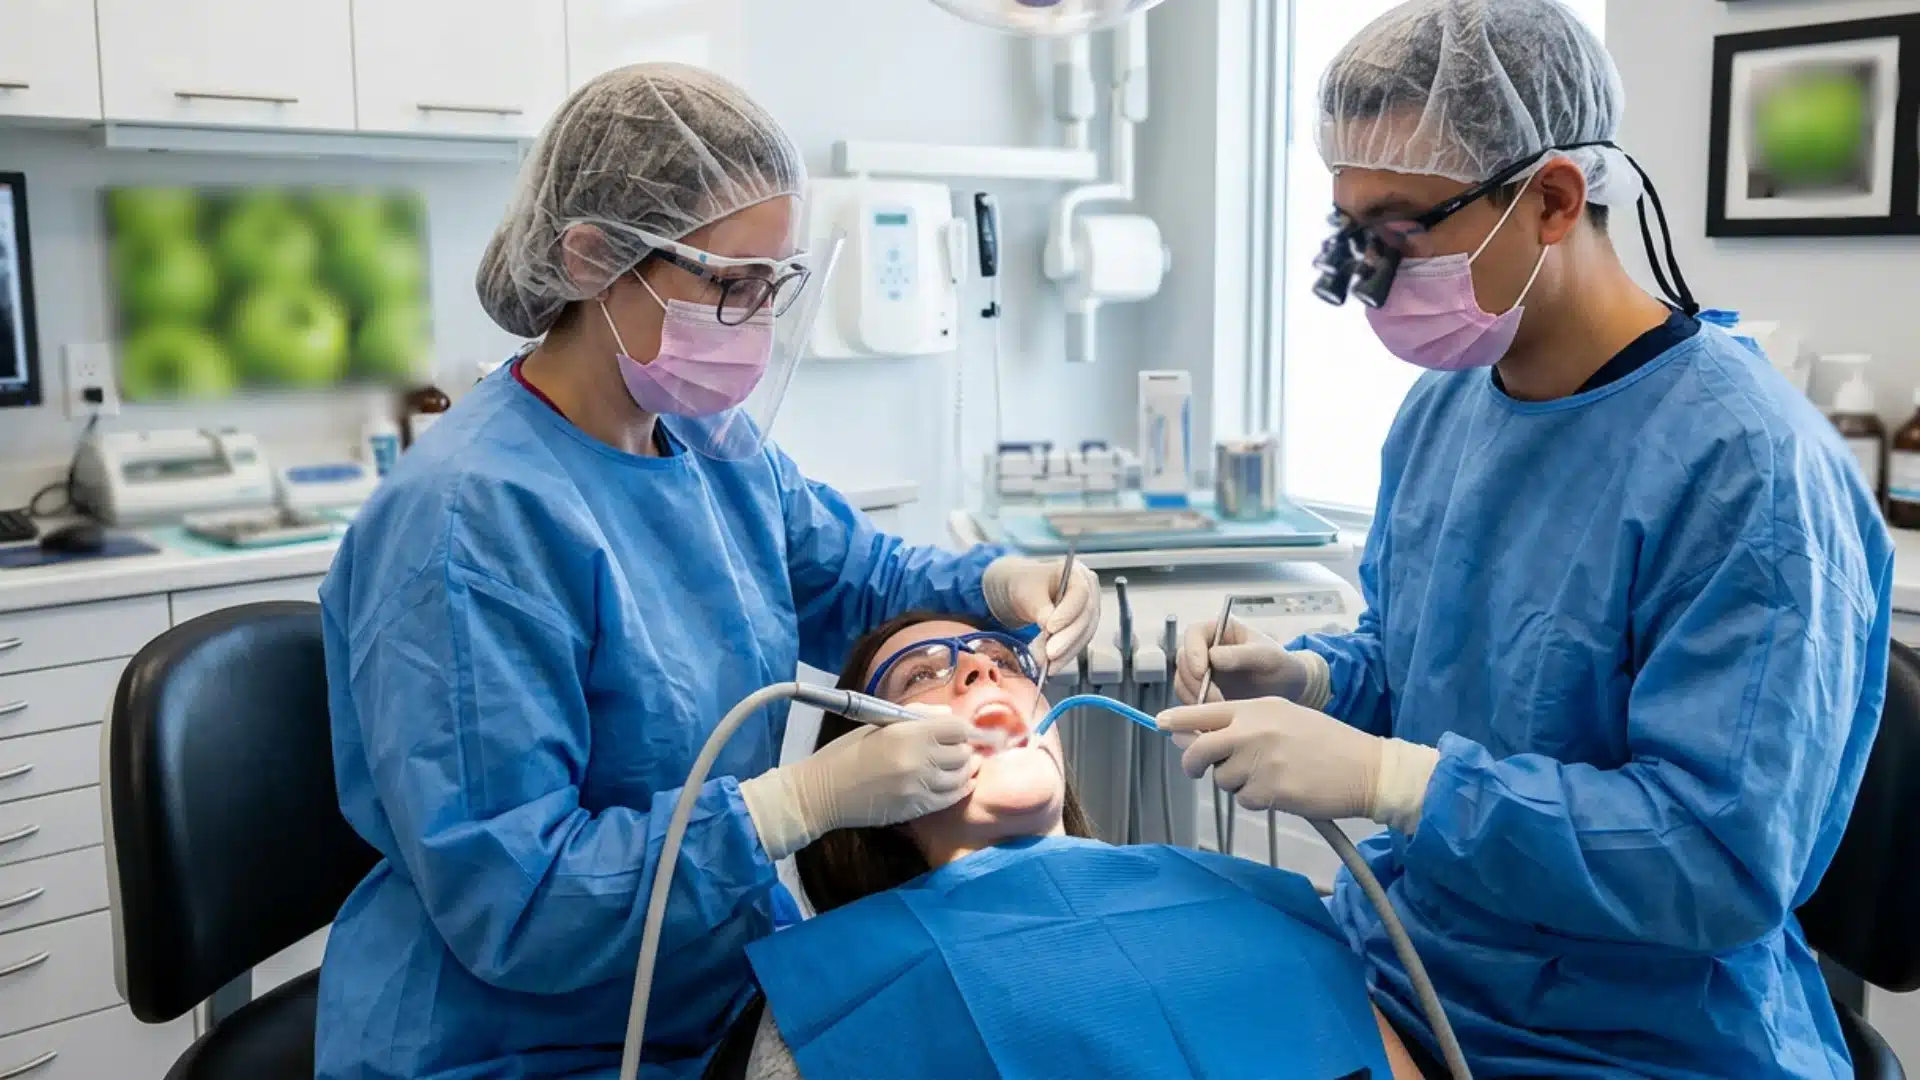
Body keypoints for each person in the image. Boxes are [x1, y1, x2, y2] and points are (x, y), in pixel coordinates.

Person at [314, 63, 1100, 1080]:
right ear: (594, 258)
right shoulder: (469, 520)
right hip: (517, 1042)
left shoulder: (705, 442)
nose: (758, 323)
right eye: (731, 285)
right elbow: (518, 900)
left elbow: (854, 579)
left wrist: (994, 588)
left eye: (773, 283)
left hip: (717, 989)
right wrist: (794, 805)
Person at [1159, 2, 1893, 1077]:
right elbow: (1441, 677)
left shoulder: (1750, 469)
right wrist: (1315, 681)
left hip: (1637, 1031)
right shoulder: (1445, 410)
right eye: (1350, 232)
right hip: (1419, 964)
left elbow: (1714, 861)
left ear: (1551, 198)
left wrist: (1391, 781)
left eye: (1397, 233)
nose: (1366, 273)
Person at [701, 612, 1429, 1080]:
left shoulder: (1254, 900)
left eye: (1003, 660)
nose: (980, 669)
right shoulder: (835, 991)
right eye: (924, 672)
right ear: (869, 781)